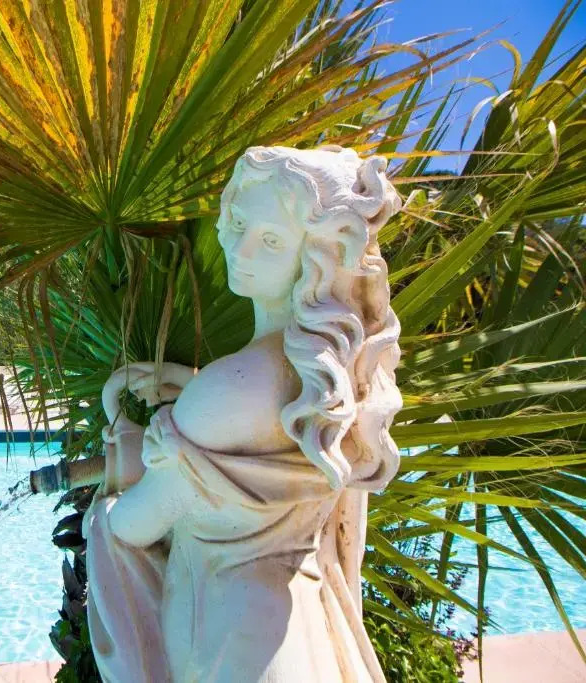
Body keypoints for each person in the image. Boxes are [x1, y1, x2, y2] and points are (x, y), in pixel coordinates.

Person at [84, 146, 403, 683]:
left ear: (317, 259)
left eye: (271, 240)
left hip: (224, 646)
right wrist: (192, 394)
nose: (240, 248)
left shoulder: (228, 390)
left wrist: (108, 501)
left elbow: (134, 527)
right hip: (297, 629)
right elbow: (266, 419)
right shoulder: (342, 375)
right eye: (236, 223)